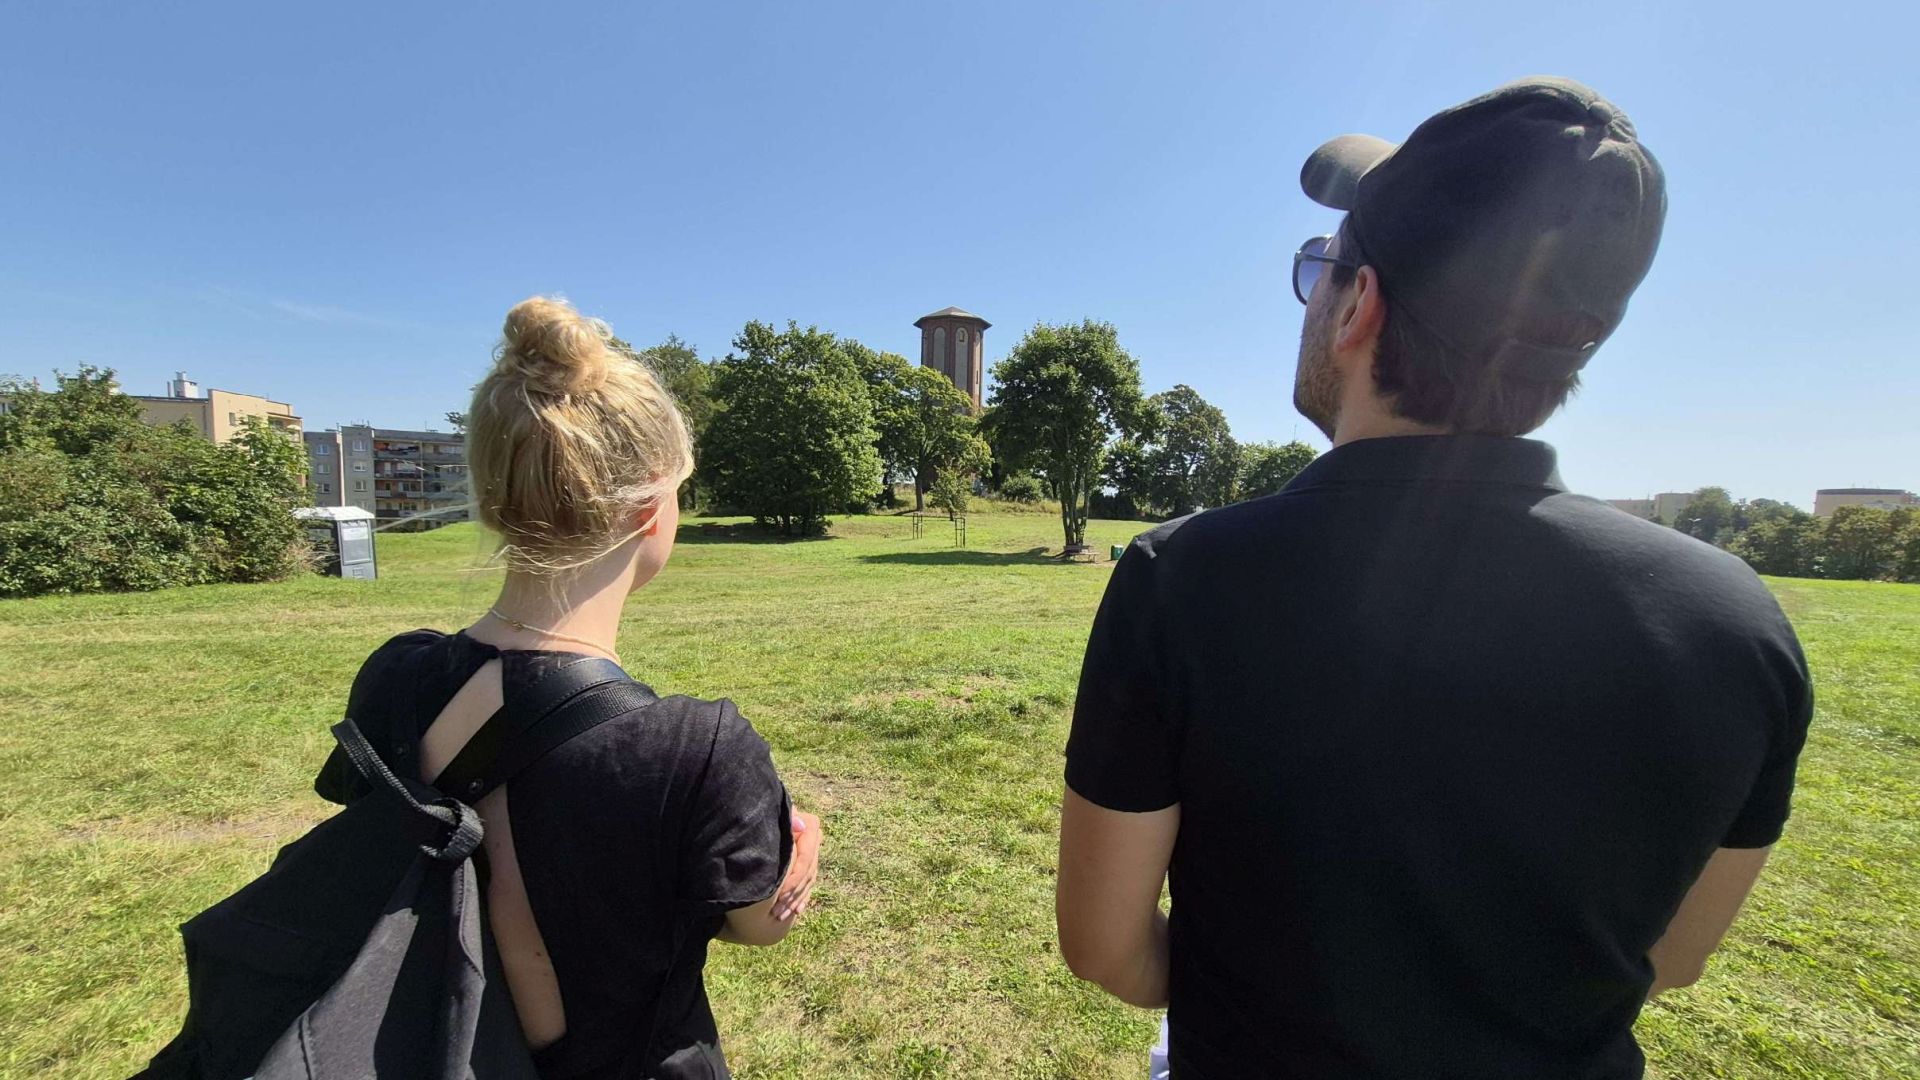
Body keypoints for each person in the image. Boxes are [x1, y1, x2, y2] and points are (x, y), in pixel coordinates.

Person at [1055, 77, 1812, 1079]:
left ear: (1359, 305)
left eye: (1323, 267)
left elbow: (1106, 946)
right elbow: (1672, 961)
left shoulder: (1185, 579)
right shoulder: (1737, 624)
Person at [315, 296, 822, 1078]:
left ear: (494, 501)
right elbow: (756, 925)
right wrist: (799, 851)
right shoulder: (698, 748)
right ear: (649, 506)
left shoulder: (393, 678)